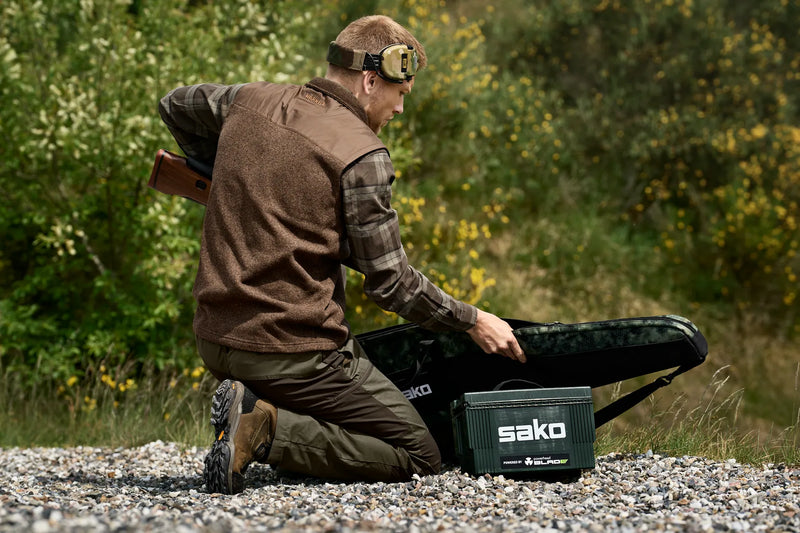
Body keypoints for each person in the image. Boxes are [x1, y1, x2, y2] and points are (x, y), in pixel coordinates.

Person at [158, 14, 525, 494]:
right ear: (372, 79)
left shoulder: (248, 101)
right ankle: (264, 427)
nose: (399, 110)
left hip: (214, 338)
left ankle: (257, 415)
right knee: (419, 454)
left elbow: (175, 105)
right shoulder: (362, 154)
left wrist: (223, 171)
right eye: (401, 94)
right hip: (290, 352)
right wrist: (473, 319)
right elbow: (393, 285)